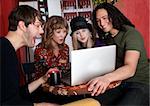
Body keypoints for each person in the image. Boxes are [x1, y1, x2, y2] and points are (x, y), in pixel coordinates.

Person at [86, 2, 149, 106]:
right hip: (119, 83)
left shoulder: (131, 34)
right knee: (93, 101)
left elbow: (130, 69)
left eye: (105, 18)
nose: (101, 23)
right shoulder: (108, 39)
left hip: (140, 83)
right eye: (98, 20)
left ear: (113, 15)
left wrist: (106, 78)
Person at [0, 5, 58, 106]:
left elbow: (15, 95)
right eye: (37, 26)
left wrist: (42, 80)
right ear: (22, 26)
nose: (41, 31)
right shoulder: (3, 50)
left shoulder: (8, 49)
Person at [33, 15, 70, 81]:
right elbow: (43, 73)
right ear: (50, 32)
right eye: (58, 32)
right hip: (44, 85)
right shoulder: (40, 49)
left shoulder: (65, 48)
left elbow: (66, 70)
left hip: (62, 83)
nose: (62, 35)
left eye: (64, 31)